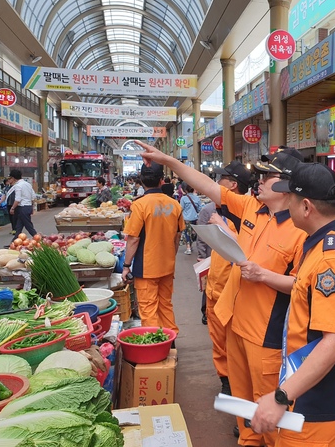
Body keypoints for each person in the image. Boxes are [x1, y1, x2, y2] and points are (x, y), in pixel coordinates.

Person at [136, 142, 307, 447]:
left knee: (266, 404)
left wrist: (264, 275)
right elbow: (206, 185)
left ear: (286, 185)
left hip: (265, 335)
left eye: (267, 176)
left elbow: (303, 284)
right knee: (241, 400)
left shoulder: (301, 229)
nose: (259, 182)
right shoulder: (253, 208)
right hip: (235, 323)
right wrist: (168, 160)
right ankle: (247, 441)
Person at [250, 163, 335, 446]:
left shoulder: (332, 260)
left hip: (322, 397)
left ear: (305, 207)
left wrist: (281, 396)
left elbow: (334, 342)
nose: (285, 205)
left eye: (289, 198)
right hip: (312, 385)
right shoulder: (325, 242)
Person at [202, 160, 251, 396]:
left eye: (220, 180)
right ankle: (226, 383)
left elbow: (246, 252)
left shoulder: (244, 217)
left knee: (236, 350)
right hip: (215, 289)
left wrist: (222, 226)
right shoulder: (221, 213)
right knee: (219, 344)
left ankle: (237, 392)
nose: (215, 184)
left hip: (233, 296)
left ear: (232, 186)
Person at [122, 162, 185, 334]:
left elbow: (133, 239)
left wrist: (126, 266)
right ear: (161, 181)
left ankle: (156, 344)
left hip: (146, 267)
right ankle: (171, 340)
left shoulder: (139, 205)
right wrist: (170, 257)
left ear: (141, 180)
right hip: (167, 265)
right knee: (165, 304)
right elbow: (177, 237)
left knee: (148, 308)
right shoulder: (175, 205)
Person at [9, 169, 37, 241]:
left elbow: (17, 199)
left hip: (22, 208)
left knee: (28, 226)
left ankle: (38, 239)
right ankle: (14, 242)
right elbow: (33, 196)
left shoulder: (18, 186)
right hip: (28, 206)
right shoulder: (27, 184)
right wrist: (33, 207)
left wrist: (12, 208)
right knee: (19, 226)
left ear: (13, 178)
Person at [179, 183, 202, 255]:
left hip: (186, 219)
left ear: (185, 190)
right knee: (193, 233)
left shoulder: (183, 198)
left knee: (187, 233)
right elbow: (199, 209)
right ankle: (191, 246)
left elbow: (181, 208)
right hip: (195, 218)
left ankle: (188, 248)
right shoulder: (197, 198)